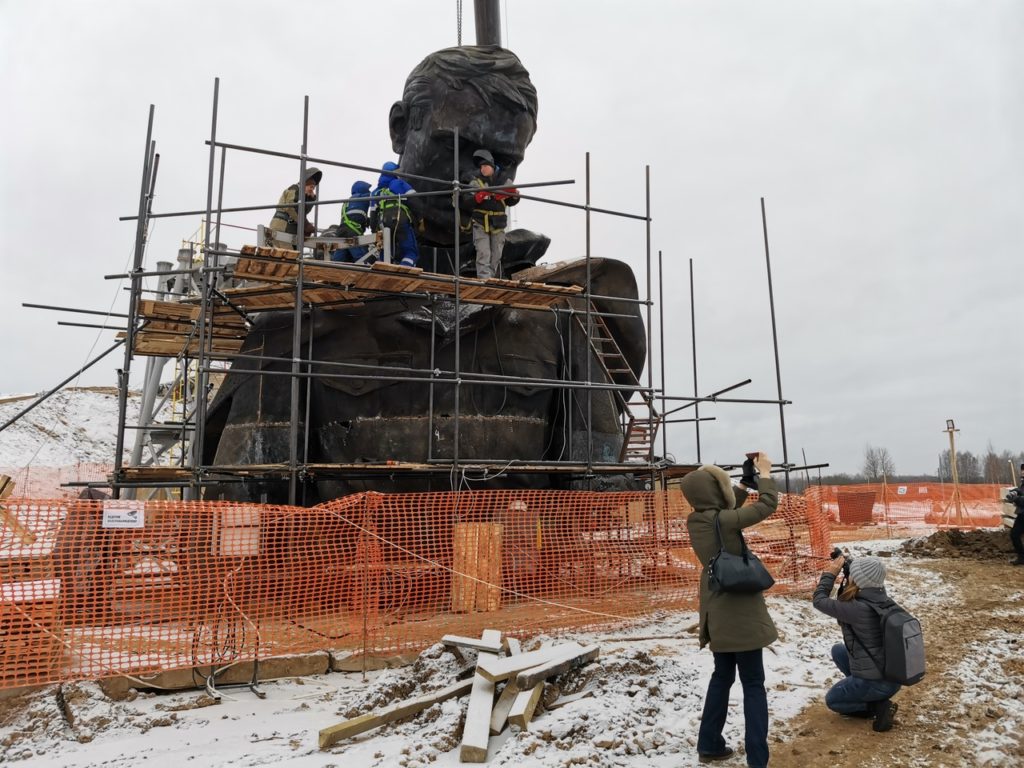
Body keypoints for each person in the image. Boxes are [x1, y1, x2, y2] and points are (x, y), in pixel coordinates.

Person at [388, 45, 538, 262]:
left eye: (503, 161)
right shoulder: (335, 259)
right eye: (453, 145)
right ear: (400, 128)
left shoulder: (524, 261)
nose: (473, 177)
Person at [683, 452, 778, 767]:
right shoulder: (723, 521)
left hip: (717, 615)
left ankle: (709, 744)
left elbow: (726, 510)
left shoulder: (698, 520)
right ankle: (758, 760)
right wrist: (765, 474)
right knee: (753, 683)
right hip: (741, 617)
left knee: (721, 677)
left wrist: (743, 482)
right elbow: (767, 505)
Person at [812, 553, 901, 732]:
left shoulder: (857, 609)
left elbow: (819, 600)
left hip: (875, 681)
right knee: (838, 650)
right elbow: (862, 583)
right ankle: (869, 692)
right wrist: (851, 570)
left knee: (833, 701)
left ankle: (878, 706)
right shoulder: (881, 598)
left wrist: (830, 574)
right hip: (892, 675)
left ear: (858, 580)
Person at [461, 148, 519, 279]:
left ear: (492, 167)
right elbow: (465, 202)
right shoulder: (476, 183)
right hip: (481, 223)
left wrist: (514, 196)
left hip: (498, 224)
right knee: (483, 252)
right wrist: (478, 197)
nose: (483, 169)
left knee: (496, 254)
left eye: (485, 166)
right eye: (481, 167)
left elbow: (512, 200)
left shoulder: (504, 181)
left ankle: (491, 279)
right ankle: (484, 279)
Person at [371, 161, 420, 267]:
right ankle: (405, 269)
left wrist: (373, 232)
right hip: (399, 219)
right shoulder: (399, 183)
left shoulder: (376, 192)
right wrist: (420, 219)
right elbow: (415, 201)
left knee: (386, 252)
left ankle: (384, 272)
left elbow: (373, 215)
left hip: (382, 223)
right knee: (410, 252)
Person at [267, 167, 322, 248]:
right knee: (287, 256)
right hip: (282, 227)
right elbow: (291, 207)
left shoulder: (303, 196)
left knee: (292, 255)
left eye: (313, 188)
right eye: (311, 187)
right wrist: (306, 225)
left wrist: (311, 199)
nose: (312, 190)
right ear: (305, 184)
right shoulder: (294, 189)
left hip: (290, 229)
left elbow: (303, 212)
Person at [329, 180, 373, 263]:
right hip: (352, 231)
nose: (369, 191)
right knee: (361, 258)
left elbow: (354, 215)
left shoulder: (347, 202)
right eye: (368, 189)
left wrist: (366, 220)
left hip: (341, 231)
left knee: (339, 260)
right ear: (362, 189)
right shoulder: (363, 197)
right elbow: (375, 196)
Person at [1006, 463, 1024, 565]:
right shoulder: (1023, 482)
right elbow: (1021, 491)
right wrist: (1014, 492)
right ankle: (1022, 557)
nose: (1022, 471)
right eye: (1022, 469)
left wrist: (1016, 499)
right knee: (1014, 534)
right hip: (1022, 514)